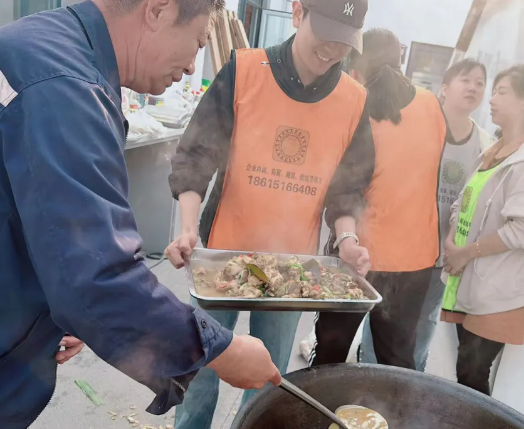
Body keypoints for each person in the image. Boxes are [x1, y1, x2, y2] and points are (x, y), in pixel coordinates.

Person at [0, 1, 282, 427]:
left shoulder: (48, 49)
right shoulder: (62, 87)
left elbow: (22, 217)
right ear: (158, 10)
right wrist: (221, 350)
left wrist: (48, 310)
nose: (190, 67)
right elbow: (99, 277)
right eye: (198, 41)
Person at [163, 0, 373, 427]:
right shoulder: (244, 70)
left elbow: (347, 190)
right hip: (221, 258)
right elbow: (196, 156)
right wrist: (188, 230)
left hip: (291, 271)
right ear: (298, 12)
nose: (331, 49)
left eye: (343, 41)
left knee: (268, 376)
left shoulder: (353, 100)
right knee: (202, 366)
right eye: (326, 31)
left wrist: (348, 241)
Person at [308, 28, 448, 369]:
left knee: (329, 356)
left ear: (355, 68)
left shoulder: (353, 108)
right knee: (397, 362)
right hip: (416, 260)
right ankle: (383, 419)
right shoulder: (431, 105)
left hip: (356, 254)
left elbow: (343, 187)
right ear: (400, 60)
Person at [441, 63, 524, 395]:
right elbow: (462, 203)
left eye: (501, 91)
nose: (491, 98)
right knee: (466, 370)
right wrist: (453, 242)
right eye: (492, 91)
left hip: (501, 292)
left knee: (472, 373)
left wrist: (466, 252)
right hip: (472, 282)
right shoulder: (492, 153)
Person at [409, 59, 494, 371]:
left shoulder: (486, 147)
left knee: (425, 319)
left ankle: (412, 379)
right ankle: (374, 369)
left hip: (443, 254)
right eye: (465, 80)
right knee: (387, 313)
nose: (473, 87)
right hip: (403, 246)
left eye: (480, 83)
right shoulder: (417, 127)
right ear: (444, 88)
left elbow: (477, 200)